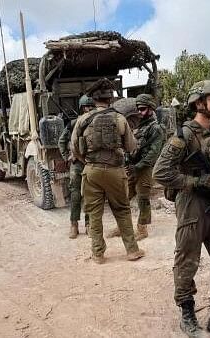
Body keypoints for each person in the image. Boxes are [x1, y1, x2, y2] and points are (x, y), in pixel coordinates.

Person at [153, 80, 210, 336]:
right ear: (198, 103)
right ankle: (187, 315)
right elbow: (160, 172)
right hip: (192, 205)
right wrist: (195, 181)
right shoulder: (183, 136)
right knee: (187, 262)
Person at [70, 78, 145, 264]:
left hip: (91, 171)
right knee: (122, 210)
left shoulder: (83, 120)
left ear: (93, 100)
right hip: (115, 172)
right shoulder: (120, 118)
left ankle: (97, 254)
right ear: (110, 99)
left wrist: (87, 162)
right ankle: (132, 250)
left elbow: (74, 148)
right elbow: (131, 146)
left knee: (94, 213)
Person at [107, 94, 164, 240]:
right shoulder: (139, 125)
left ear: (151, 109)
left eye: (143, 109)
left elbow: (153, 153)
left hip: (144, 168)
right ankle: (122, 226)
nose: (140, 112)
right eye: (138, 109)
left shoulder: (155, 128)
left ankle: (142, 229)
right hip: (133, 166)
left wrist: (137, 166)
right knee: (125, 197)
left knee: (142, 198)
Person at [59, 95, 94, 239]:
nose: (89, 109)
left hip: (91, 163)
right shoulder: (73, 124)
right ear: (82, 108)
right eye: (87, 107)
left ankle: (89, 225)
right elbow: (62, 140)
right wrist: (67, 156)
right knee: (75, 195)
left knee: (90, 195)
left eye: (92, 107)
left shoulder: (95, 122)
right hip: (77, 164)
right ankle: (74, 224)